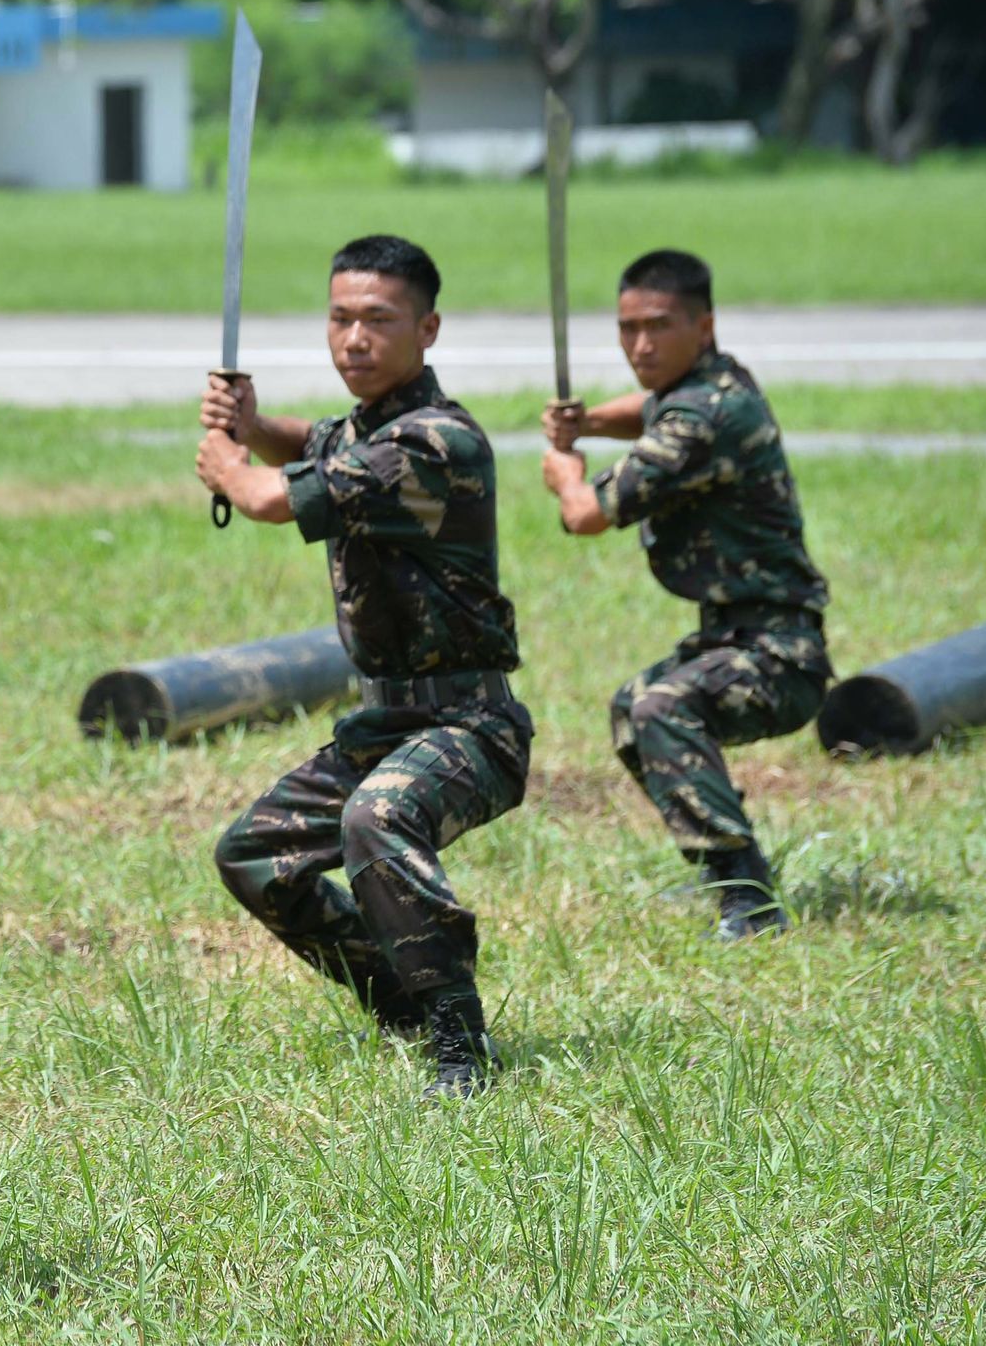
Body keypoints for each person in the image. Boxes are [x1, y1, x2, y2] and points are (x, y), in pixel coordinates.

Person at [197, 234, 533, 1100]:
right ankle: (403, 1003)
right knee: (254, 855)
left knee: (374, 821)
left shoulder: (434, 442)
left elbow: (275, 494)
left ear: (427, 329)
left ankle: (460, 1041)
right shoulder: (361, 432)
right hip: (387, 719)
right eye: (340, 319)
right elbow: (301, 443)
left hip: (470, 722)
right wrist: (248, 421)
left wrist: (230, 464)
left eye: (377, 321)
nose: (353, 339)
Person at [540, 249, 830, 940]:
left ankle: (749, 905)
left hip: (778, 652)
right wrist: (586, 421)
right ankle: (730, 875)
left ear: (702, 327)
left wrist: (564, 469)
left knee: (662, 708)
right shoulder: (714, 385)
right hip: (733, 634)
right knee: (628, 712)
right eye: (627, 328)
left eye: (659, 326)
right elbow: (647, 408)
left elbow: (584, 514)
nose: (640, 344)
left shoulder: (703, 421)